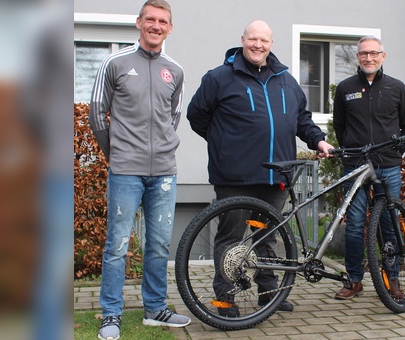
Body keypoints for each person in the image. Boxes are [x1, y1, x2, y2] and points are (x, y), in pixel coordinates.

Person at [186, 20, 333, 317]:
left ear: (271, 43)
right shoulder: (219, 78)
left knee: (267, 237)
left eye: (263, 40)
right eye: (253, 39)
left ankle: (269, 295)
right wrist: (223, 143)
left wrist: (319, 141)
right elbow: (197, 116)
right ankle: (225, 301)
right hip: (234, 176)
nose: (258, 45)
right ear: (242, 40)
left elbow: (301, 119)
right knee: (230, 240)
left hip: (275, 177)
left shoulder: (286, 81)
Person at [89, 1, 191, 339]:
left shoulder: (175, 70)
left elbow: (172, 118)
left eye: (163, 21)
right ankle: (110, 315)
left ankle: (155, 309)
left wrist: (158, 148)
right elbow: (96, 112)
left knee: (159, 244)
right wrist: (115, 152)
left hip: (164, 171)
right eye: (150, 19)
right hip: (125, 170)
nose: (156, 25)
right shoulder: (115, 63)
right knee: (117, 244)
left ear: (170, 28)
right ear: (138, 23)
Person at [332, 36, 405, 300]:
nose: (368, 58)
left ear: (383, 56)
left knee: (389, 225)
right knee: (355, 225)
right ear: (357, 58)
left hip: (388, 168)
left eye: (373, 53)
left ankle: (393, 281)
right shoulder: (345, 88)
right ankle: (353, 280)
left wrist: (394, 154)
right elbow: (340, 126)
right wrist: (351, 150)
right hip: (355, 166)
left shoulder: (397, 88)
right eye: (363, 54)